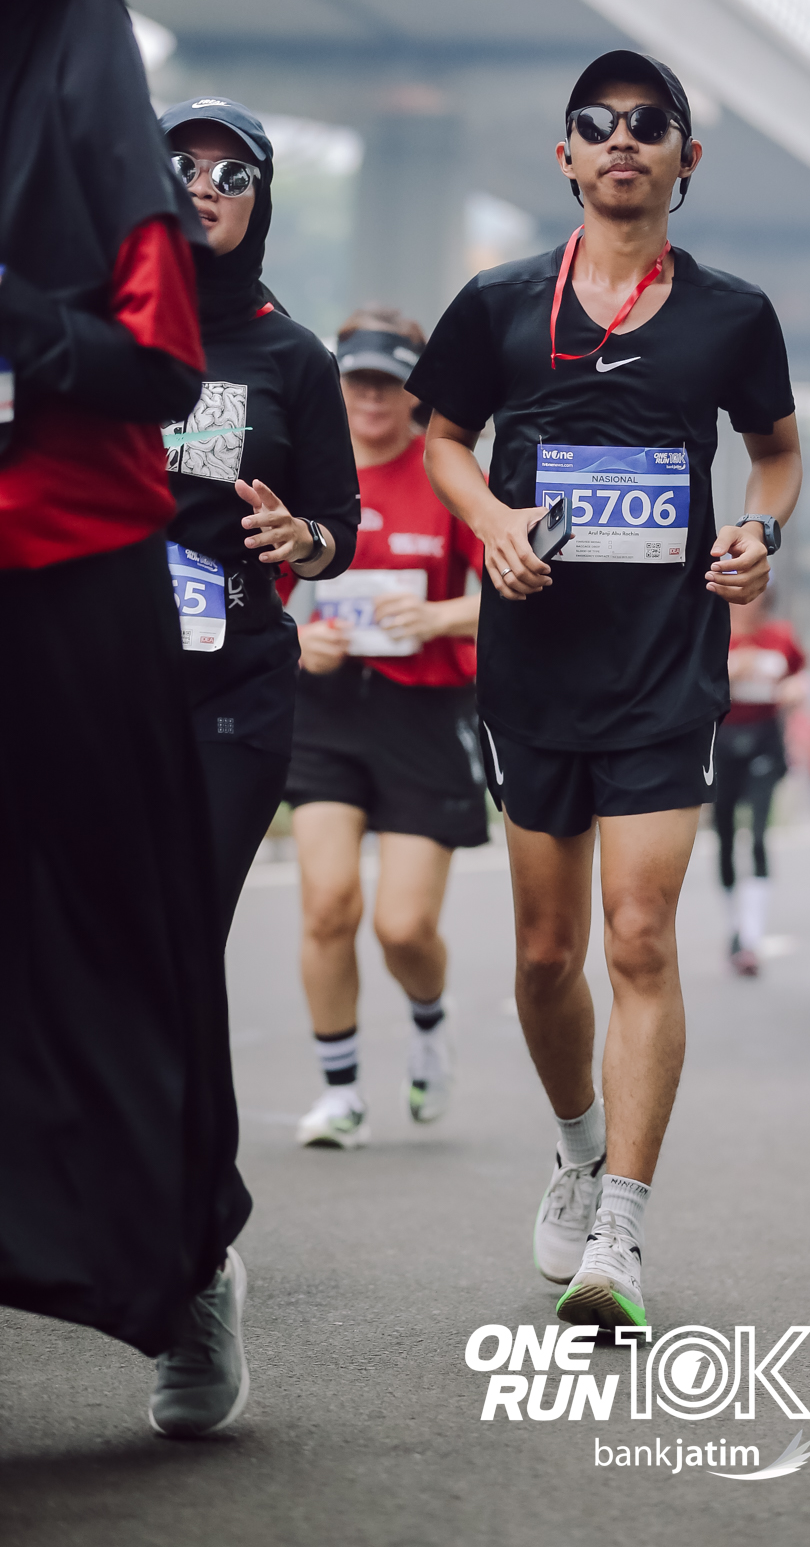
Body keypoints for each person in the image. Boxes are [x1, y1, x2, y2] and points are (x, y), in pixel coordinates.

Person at [409, 49, 801, 1329]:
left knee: (637, 935)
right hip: (533, 667)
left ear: (686, 159)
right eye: (596, 121)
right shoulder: (498, 302)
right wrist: (490, 524)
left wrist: (757, 533)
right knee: (544, 954)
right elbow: (443, 440)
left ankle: (618, 1232)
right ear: (565, 155)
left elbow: (775, 454)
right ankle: (578, 1150)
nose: (620, 137)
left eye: (647, 122)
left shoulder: (731, 315)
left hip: (664, 668)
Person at [0, 0, 250, 1437]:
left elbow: (161, 369)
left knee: (113, 941)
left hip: (75, 583)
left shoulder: (93, 106)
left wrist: (17, 326)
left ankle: (187, 1262)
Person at [158, 98, 359, 940]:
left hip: (233, 681)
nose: (205, 186)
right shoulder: (95, 327)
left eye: (232, 175)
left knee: (187, 931)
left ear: (259, 202)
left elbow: (337, 531)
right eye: (182, 167)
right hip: (96, 671)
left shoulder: (296, 357)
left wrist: (301, 539)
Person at [285, 308, 487, 1147]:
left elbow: (512, 594)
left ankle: (430, 1019)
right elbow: (250, 588)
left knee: (403, 927)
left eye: (388, 383)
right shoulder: (304, 465)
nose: (371, 398)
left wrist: (438, 617)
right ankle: (340, 1094)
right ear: (336, 385)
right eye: (358, 380)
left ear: (414, 393)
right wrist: (296, 637)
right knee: (329, 904)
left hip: (424, 712)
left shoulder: (446, 471)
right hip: (324, 711)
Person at [714, 593, 807, 975]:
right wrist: (730, 674)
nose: (751, 604)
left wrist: (796, 689)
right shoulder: (715, 632)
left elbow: (801, 675)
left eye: (760, 598)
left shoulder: (781, 637)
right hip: (722, 740)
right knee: (724, 834)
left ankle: (751, 937)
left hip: (765, 738)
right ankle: (734, 924)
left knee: (756, 833)